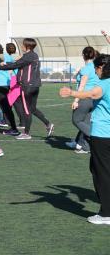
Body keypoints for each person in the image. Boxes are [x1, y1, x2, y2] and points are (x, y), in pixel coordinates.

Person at [60, 54, 110, 225]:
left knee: (101, 173)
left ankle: (106, 214)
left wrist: (71, 93)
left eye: (97, 68)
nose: (95, 72)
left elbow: (91, 94)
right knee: (97, 168)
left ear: (102, 68)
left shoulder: (103, 85)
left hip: (102, 135)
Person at [0, 38, 54, 140]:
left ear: (27, 46)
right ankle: (48, 124)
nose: (21, 47)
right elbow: (18, 63)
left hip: (27, 87)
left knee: (27, 110)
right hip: (35, 86)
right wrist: (7, 64)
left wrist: (0, 67)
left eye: (23, 45)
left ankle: (26, 133)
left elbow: (16, 65)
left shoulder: (28, 56)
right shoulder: (34, 55)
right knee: (32, 109)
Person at [66, 47, 99, 154]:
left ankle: (96, 138)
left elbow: (82, 85)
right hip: (94, 98)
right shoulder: (96, 67)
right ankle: (85, 146)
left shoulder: (86, 68)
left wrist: (76, 100)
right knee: (86, 122)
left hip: (85, 98)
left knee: (76, 120)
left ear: (83, 55)